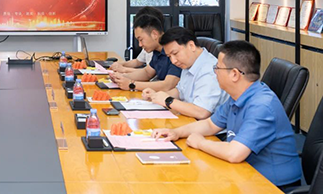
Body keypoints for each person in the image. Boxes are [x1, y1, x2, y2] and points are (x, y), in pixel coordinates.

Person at [152, 41, 301, 189]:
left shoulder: (262, 105)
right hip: (244, 174)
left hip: (271, 185)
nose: (215, 72)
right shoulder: (238, 96)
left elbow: (234, 153)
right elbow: (210, 124)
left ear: (234, 74)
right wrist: (176, 132)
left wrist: (201, 143)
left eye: (217, 68)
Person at [142, 27, 228, 119]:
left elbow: (201, 112)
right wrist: (157, 96)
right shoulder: (189, 63)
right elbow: (180, 91)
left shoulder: (210, 70)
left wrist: (167, 100)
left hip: (206, 125)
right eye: (169, 57)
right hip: (189, 120)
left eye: (175, 53)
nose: (173, 61)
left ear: (191, 46)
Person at [110, 15, 181, 92]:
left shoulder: (174, 51)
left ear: (154, 34)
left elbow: (167, 85)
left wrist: (131, 84)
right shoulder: (157, 51)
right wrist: (122, 77)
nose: (140, 45)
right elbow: (147, 73)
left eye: (141, 40)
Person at [110, 6, 164, 73]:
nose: (140, 45)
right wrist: (121, 64)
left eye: (141, 39)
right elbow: (139, 62)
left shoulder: (166, 51)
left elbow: (150, 74)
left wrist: (124, 70)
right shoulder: (152, 48)